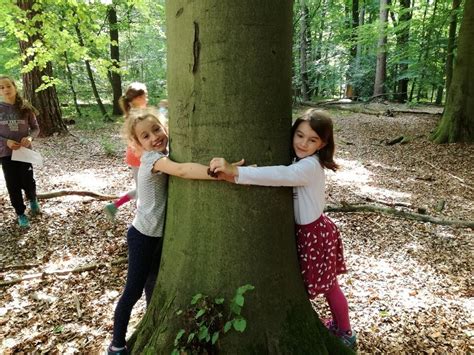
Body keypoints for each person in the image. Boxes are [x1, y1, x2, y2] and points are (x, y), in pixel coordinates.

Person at [209, 109, 356, 348]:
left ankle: (346, 332)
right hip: (311, 230)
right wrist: (235, 178)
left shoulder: (309, 166)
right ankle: (340, 326)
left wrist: (236, 171)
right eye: (299, 135)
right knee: (328, 285)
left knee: (330, 286)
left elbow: (281, 175)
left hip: (315, 234)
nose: (303, 143)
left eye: (312, 140)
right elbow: (276, 175)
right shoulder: (301, 160)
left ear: (323, 144)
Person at [108, 108, 217, 355]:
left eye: (156, 129)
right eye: (145, 136)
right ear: (138, 144)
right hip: (143, 237)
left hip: (157, 237)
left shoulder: (163, 156)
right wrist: (217, 173)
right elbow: (183, 171)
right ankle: (116, 345)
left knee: (154, 285)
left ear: (165, 127)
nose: (154, 137)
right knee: (132, 291)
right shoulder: (154, 160)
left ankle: (152, 321)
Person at [0, 75, 40, 228]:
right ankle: (20, 213)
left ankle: (33, 200)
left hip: (24, 152)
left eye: (8, 86)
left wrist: (30, 138)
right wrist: (6, 142)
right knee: (13, 184)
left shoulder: (25, 107)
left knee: (28, 180)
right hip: (6, 153)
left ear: (15, 87)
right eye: (1, 87)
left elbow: (36, 128)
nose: (5, 89)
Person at [104, 82, 148, 221]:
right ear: (135, 99)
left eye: (145, 96)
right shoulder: (135, 115)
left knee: (142, 189)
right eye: (143, 96)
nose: (146, 99)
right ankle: (117, 207)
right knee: (142, 190)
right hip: (138, 157)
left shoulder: (139, 112)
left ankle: (115, 206)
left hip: (139, 156)